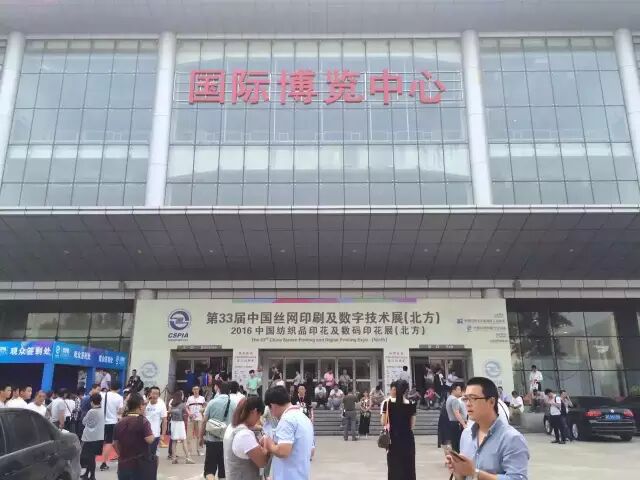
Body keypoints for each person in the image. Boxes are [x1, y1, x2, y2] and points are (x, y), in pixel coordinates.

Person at [447, 377, 530, 480]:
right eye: (466, 399)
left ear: (491, 402)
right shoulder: (466, 434)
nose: (467, 404)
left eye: (473, 398)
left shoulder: (512, 438)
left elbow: (517, 478)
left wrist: (475, 472)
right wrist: (458, 470)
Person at [262, 385, 314, 480]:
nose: (272, 413)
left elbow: (283, 451)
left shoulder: (286, 420)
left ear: (273, 405)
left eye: (270, 409)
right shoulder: (304, 418)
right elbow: (312, 451)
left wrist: (268, 442)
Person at [223, 396, 269, 480]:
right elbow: (262, 462)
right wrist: (266, 442)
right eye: (259, 416)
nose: (258, 420)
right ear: (254, 412)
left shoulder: (232, 427)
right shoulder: (245, 435)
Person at [113, 392, 156, 480]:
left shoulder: (120, 422)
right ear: (140, 406)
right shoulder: (143, 421)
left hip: (123, 464)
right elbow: (149, 439)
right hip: (140, 465)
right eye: (144, 404)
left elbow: (114, 444)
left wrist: (122, 455)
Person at [382, 380, 416, 480]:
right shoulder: (411, 404)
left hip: (393, 439)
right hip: (407, 439)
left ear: (395, 390)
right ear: (406, 391)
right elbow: (412, 425)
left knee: (394, 467)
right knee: (408, 467)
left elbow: (384, 421)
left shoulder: (387, 403)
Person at [201, 381, 234, 480]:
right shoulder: (234, 404)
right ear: (229, 391)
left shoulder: (212, 402)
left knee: (209, 470)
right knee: (223, 471)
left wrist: (201, 437)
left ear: (218, 390)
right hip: (227, 441)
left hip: (212, 440)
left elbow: (204, 421)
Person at [100, 382, 124, 472]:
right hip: (112, 422)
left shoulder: (102, 395)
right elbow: (120, 411)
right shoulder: (119, 397)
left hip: (101, 421)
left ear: (110, 387)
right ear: (119, 389)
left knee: (99, 441)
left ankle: (90, 462)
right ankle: (103, 463)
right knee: (109, 442)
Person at [80, 392, 104, 480]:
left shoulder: (91, 411)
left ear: (91, 402)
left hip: (90, 437)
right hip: (99, 436)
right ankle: (87, 474)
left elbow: (84, 422)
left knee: (89, 457)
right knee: (92, 457)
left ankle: (92, 476)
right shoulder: (102, 410)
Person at [169, 391, 195, 464]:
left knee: (174, 441)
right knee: (184, 440)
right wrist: (192, 416)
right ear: (181, 396)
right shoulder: (183, 405)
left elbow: (169, 412)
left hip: (173, 423)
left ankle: (174, 458)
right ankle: (188, 458)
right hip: (180, 423)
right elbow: (189, 414)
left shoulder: (172, 404)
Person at [145, 386, 167, 460]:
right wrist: (145, 404)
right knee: (144, 455)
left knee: (154, 456)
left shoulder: (161, 404)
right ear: (149, 394)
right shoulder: (144, 403)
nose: (155, 395)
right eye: (153, 393)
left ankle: (153, 468)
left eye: (157, 394)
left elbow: (164, 420)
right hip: (144, 434)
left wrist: (163, 434)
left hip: (155, 434)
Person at [445, 382, 467, 454]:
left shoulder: (449, 398)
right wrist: (464, 424)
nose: (460, 391)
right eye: (458, 390)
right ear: (453, 390)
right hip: (457, 424)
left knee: (455, 443)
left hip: (452, 423)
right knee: (458, 444)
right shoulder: (454, 400)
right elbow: (456, 413)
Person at [186, 385, 206, 456]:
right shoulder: (190, 398)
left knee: (199, 435)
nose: (196, 391)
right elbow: (186, 407)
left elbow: (204, 407)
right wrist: (189, 413)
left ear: (199, 390)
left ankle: (199, 450)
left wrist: (202, 412)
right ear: (192, 390)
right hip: (191, 418)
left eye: (197, 389)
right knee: (189, 435)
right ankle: (189, 451)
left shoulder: (202, 398)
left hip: (199, 418)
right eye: (194, 389)